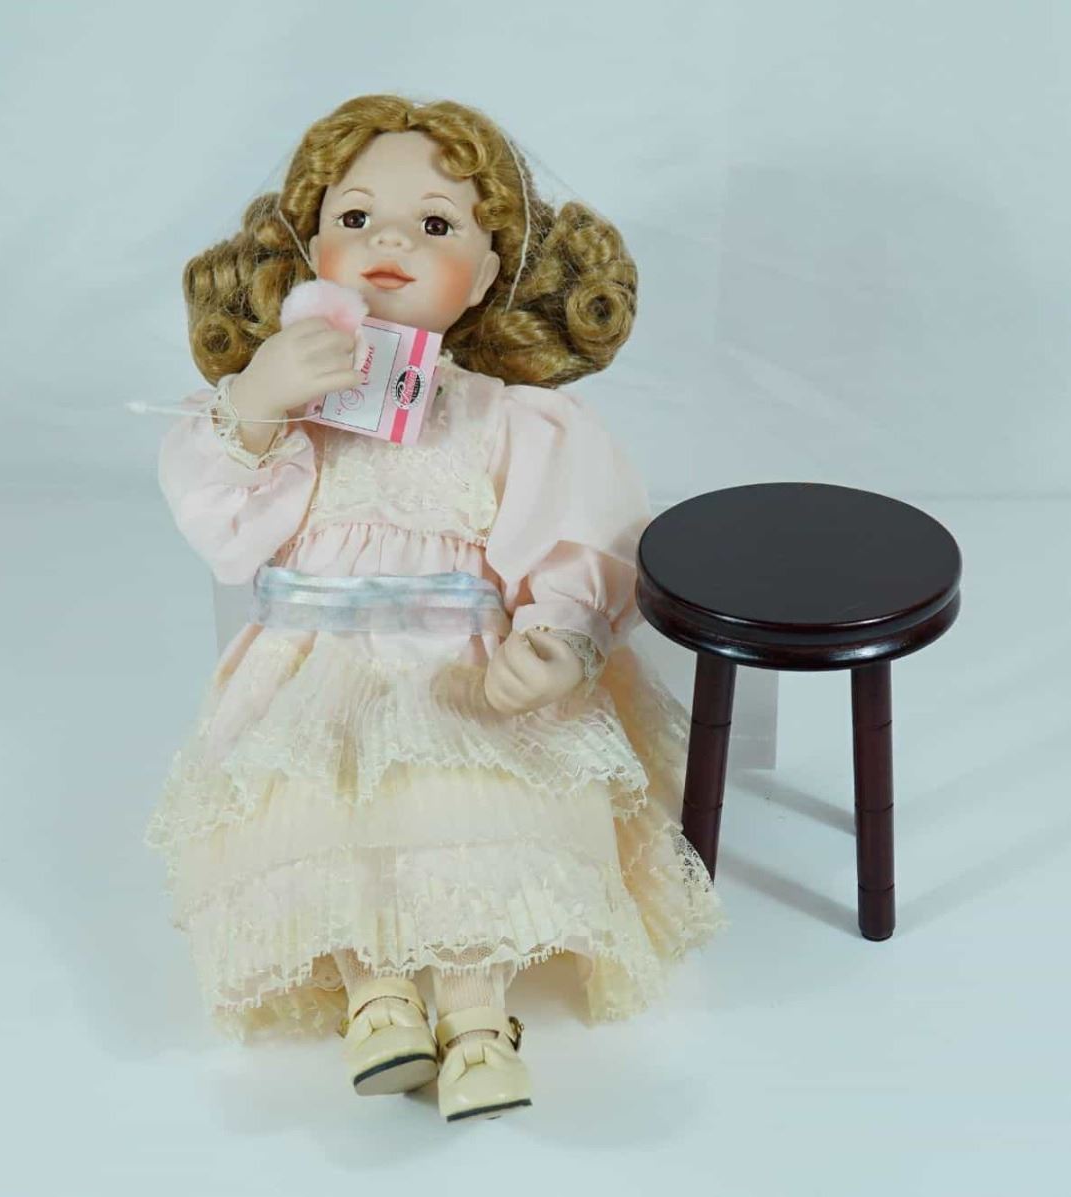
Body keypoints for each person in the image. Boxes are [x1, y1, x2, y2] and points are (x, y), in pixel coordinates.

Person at [147, 94, 721, 1123]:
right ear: (307, 248)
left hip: (460, 658)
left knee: (473, 798)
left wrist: (560, 637)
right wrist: (259, 399)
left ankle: (478, 1014)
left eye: (437, 224)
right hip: (314, 663)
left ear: (491, 272)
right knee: (317, 803)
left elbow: (582, 532)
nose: (391, 243)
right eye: (355, 217)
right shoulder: (291, 408)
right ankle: (376, 999)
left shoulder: (515, 419)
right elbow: (224, 527)